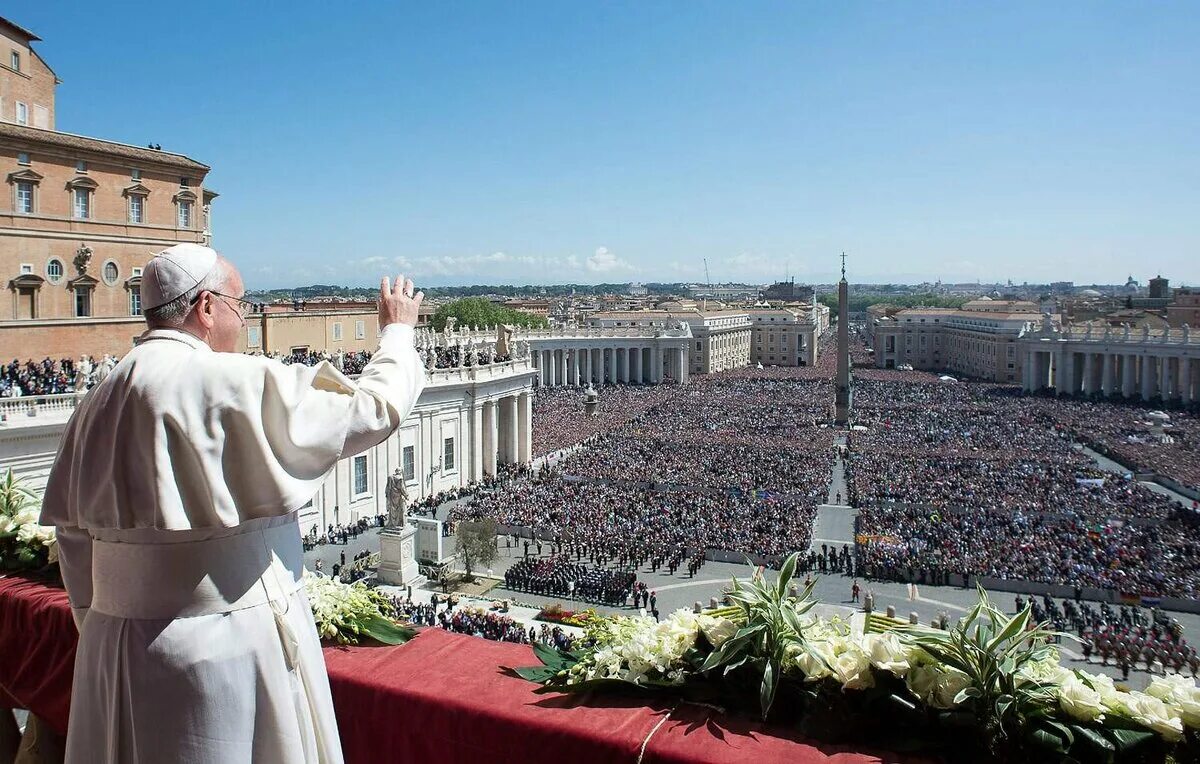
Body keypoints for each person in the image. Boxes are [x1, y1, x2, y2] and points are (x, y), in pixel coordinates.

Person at [42, 243, 426, 764]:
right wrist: (398, 331)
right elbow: (373, 409)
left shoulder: (97, 399)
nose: (243, 321)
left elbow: (69, 534)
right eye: (239, 306)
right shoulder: (232, 380)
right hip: (227, 648)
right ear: (205, 307)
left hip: (113, 650)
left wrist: (106, 620)